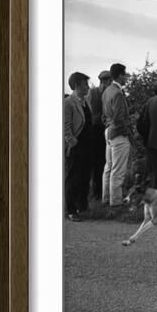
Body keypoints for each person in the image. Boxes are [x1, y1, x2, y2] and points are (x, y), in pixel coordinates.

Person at [101, 63, 133, 206]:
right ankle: (116, 202)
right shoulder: (118, 93)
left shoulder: (107, 90)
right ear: (120, 75)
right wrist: (127, 132)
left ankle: (106, 198)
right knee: (118, 170)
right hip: (118, 133)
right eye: (125, 75)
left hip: (108, 130)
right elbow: (120, 118)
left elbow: (105, 114)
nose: (126, 78)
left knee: (108, 168)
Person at [64, 72, 93, 221]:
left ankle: (82, 206)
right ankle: (70, 210)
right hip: (77, 146)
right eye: (85, 84)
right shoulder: (68, 102)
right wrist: (71, 141)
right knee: (73, 178)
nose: (88, 87)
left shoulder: (84, 101)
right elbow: (65, 125)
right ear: (76, 86)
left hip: (87, 145)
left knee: (84, 177)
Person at [87, 70, 112, 200]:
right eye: (108, 81)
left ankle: (102, 191)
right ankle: (97, 191)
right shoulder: (93, 93)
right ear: (104, 81)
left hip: (104, 129)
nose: (109, 83)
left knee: (104, 162)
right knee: (98, 162)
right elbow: (92, 113)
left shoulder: (105, 93)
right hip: (96, 130)